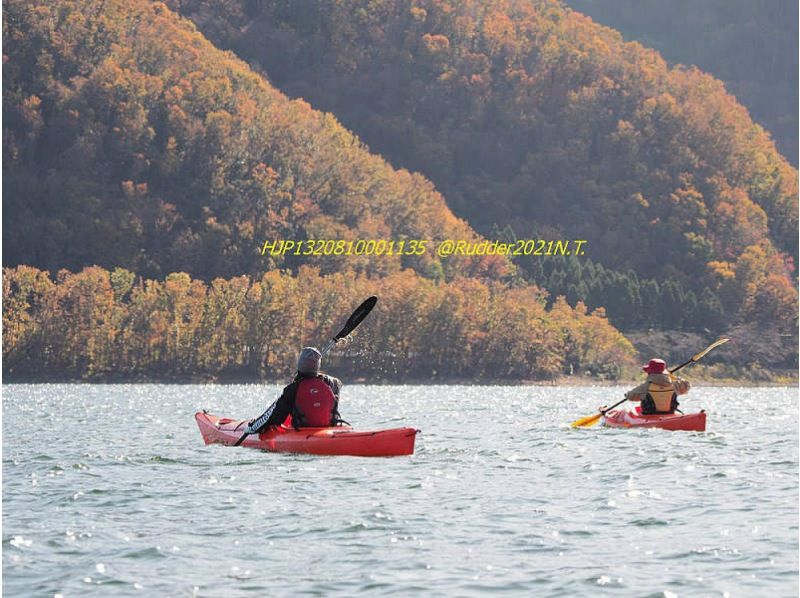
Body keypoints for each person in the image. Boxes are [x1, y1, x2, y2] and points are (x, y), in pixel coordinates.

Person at [245, 347, 344, 434]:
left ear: (300, 364)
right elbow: (338, 383)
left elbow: (275, 418)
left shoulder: (292, 389)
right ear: (318, 366)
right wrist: (317, 376)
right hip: (327, 429)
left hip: (303, 430)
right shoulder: (331, 383)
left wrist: (253, 427)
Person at [625, 358, 690, 414]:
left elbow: (630, 396)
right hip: (669, 413)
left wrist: (626, 395)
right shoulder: (674, 384)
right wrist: (673, 377)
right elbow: (687, 385)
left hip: (650, 415)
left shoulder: (645, 387)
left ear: (649, 372)